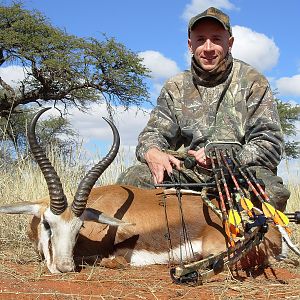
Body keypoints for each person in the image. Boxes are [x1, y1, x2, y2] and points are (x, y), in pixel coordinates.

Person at [116, 7, 290, 212]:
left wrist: (224, 159)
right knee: (134, 178)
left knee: (272, 192)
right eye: (200, 40)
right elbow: (153, 134)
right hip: (191, 174)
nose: (208, 47)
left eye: (216, 39)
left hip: (240, 174)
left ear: (230, 43)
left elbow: (270, 145)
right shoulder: (176, 87)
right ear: (190, 45)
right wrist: (152, 152)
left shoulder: (253, 82)